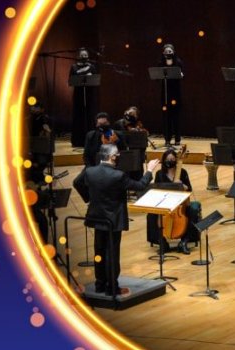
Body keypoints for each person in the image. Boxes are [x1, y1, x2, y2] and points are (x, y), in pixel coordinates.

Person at [73, 144, 160, 297]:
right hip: (113, 220)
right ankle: (112, 287)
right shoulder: (118, 175)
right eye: (118, 155)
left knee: (99, 251)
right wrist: (150, 170)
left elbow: (76, 183)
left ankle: (100, 284)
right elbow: (140, 186)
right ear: (113, 157)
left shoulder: (90, 171)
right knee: (112, 253)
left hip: (96, 216)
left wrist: (89, 199)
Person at [146, 149, 201, 254]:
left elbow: (189, 189)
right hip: (165, 203)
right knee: (151, 214)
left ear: (176, 160)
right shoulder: (159, 174)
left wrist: (183, 185)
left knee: (193, 212)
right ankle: (162, 242)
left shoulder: (183, 172)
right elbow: (156, 189)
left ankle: (184, 241)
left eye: (172, 159)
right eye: (167, 159)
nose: (170, 161)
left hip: (180, 204)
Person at [70, 48, 99, 147]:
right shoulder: (73, 67)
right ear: (78, 56)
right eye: (82, 55)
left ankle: (91, 140)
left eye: (85, 55)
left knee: (90, 115)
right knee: (79, 115)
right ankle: (79, 141)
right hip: (79, 94)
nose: (84, 57)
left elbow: (96, 80)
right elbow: (70, 80)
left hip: (89, 94)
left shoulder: (92, 66)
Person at [159, 44, 184, 147]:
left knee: (176, 117)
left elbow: (182, 74)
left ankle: (177, 139)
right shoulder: (161, 62)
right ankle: (167, 139)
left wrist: (181, 74)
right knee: (166, 117)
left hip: (175, 94)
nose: (168, 54)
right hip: (165, 94)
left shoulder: (178, 62)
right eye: (166, 52)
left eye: (170, 52)